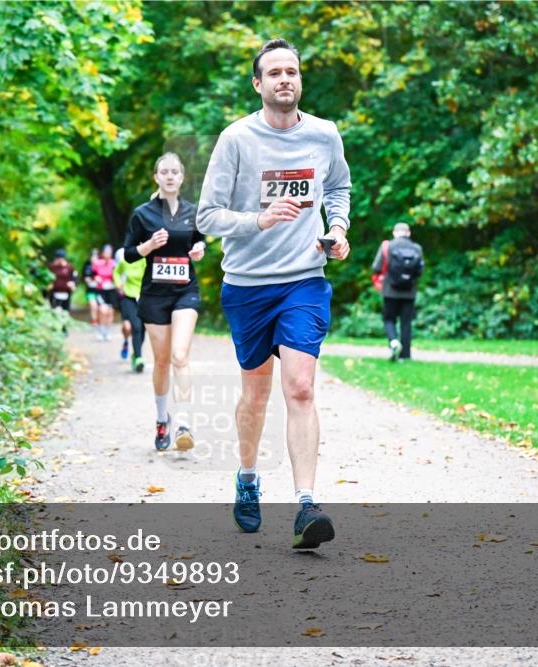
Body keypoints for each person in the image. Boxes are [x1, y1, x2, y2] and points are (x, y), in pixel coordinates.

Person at [196, 38, 351, 549]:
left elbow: (337, 190)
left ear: (300, 80)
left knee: (301, 387)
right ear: (258, 84)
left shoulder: (325, 135)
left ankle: (307, 505)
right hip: (247, 286)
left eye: (293, 71)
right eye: (275, 73)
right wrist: (257, 220)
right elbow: (207, 217)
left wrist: (339, 228)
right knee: (256, 392)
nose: (286, 79)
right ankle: (247, 477)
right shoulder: (236, 139)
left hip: (305, 279)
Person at [123, 152, 206, 451]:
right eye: (164, 172)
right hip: (155, 296)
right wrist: (149, 245)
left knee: (180, 356)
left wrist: (199, 249)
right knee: (161, 361)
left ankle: (184, 422)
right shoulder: (142, 214)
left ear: (182, 177)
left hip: (185, 291)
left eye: (175, 172)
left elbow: (199, 240)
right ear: (156, 177)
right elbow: (129, 253)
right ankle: (162, 419)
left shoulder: (192, 211)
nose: (170, 176)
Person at [372, 222, 424, 361]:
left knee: (389, 319)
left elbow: (376, 267)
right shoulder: (417, 248)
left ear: (395, 233)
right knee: (406, 323)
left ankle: (393, 342)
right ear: (409, 233)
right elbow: (420, 271)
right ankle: (405, 355)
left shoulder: (388, 246)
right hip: (409, 292)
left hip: (390, 291)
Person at [113, 247, 146, 372]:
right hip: (128, 297)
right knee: (135, 326)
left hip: (143, 297)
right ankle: (138, 357)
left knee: (142, 329)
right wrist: (118, 285)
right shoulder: (125, 260)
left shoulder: (145, 261)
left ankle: (135, 353)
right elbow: (116, 272)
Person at [91, 244, 117, 341]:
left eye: (109, 253)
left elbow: (117, 275)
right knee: (102, 310)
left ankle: (107, 331)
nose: (107, 255)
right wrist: (96, 278)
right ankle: (101, 330)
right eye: (106, 252)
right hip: (101, 290)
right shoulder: (98, 263)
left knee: (110, 312)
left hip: (111, 290)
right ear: (102, 253)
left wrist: (115, 282)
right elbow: (92, 275)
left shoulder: (114, 264)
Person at [48, 248, 77, 313]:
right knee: (56, 311)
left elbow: (75, 277)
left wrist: (73, 284)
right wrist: (49, 284)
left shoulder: (70, 267)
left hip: (66, 292)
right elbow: (47, 277)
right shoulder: (52, 267)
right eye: (58, 258)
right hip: (54, 292)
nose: (60, 260)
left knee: (65, 312)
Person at [82, 248, 100, 331]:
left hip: (100, 290)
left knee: (99, 307)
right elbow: (84, 277)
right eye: (93, 256)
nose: (94, 259)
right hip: (90, 290)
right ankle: (94, 321)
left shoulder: (102, 266)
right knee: (93, 305)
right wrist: (88, 279)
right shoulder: (87, 266)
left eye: (96, 257)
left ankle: (99, 320)